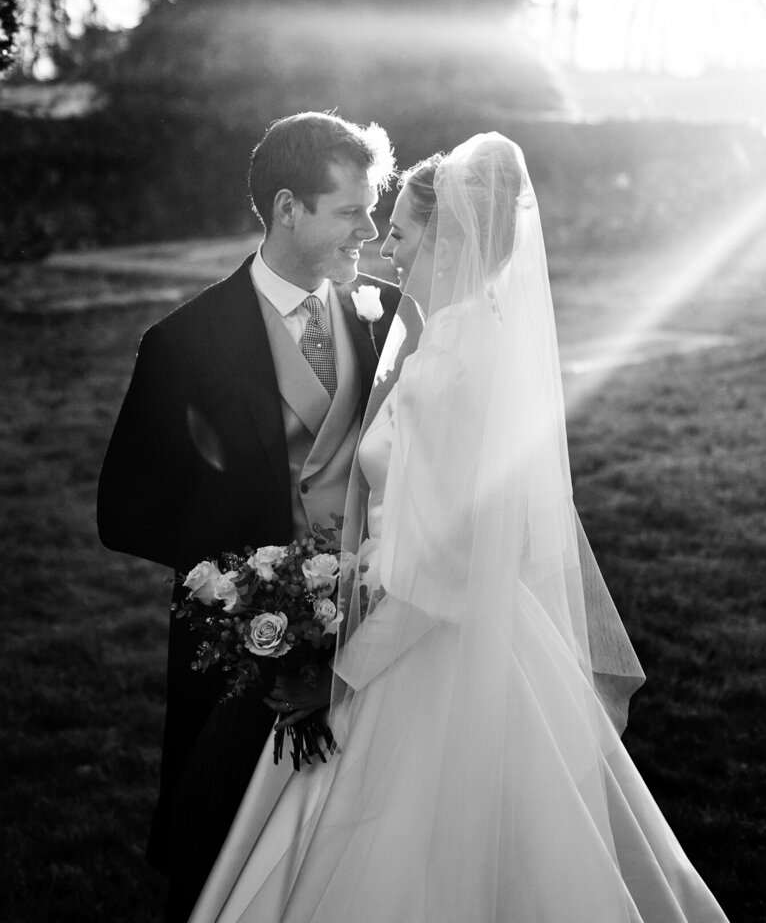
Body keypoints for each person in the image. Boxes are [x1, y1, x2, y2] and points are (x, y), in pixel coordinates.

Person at [187, 133, 731, 923]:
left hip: (422, 650)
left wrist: (338, 675)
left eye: (402, 232)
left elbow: (442, 562)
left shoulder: (452, 366)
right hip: (467, 629)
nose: (387, 247)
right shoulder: (463, 335)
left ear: (450, 241)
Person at [97, 111, 400, 923]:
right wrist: (248, 588)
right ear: (288, 208)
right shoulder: (183, 344)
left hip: (381, 629)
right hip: (246, 648)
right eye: (350, 211)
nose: (369, 230)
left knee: (370, 839)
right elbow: (124, 510)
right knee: (225, 846)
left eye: (372, 209)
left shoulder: (391, 315)